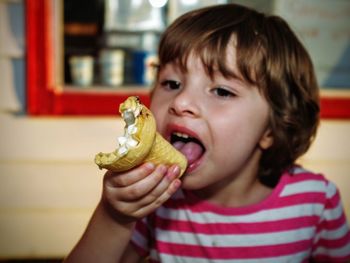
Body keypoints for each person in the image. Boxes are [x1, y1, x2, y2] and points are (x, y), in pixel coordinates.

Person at [64, 3, 350, 262]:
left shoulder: (315, 203)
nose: (180, 102)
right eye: (172, 84)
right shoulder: (156, 202)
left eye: (222, 91)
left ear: (273, 128)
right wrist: (115, 218)